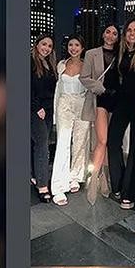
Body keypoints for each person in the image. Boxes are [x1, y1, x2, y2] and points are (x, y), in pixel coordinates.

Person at [107, 19, 135, 210]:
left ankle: (130, 193)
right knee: (113, 141)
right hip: (122, 102)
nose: (133, 33)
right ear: (125, 33)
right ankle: (118, 184)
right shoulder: (120, 52)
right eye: (129, 30)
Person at [80, 24, 120, 204]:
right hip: (101, 99)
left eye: (114, 33)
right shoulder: (91, 53)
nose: (110, 36)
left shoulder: (121, 54)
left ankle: (103, 177)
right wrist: (101, 88)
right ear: (103, 34)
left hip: (117, 101)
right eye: (108, 32)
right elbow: (84, 77)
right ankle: (94, 179)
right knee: (102, 140)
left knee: (108, 142)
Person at [51, 35, 90, 206]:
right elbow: (57, 90)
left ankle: (75, 176)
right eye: (71, 45)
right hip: (64, 104)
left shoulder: (87, 65)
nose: (73, 48)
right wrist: (54, 113)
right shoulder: (61, 65)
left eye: (77, 45)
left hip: (82, 104)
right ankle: (58, 186)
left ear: (82, 48)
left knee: (80, 142)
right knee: (63, 143)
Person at [30, 35, 57, 203]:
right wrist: (36, 107)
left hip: (48, 109)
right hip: (34, 109)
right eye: (44, 44)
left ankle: (33, 174)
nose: (46, 48)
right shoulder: (30, 62)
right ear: (37, 45)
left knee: (38, 143)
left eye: (49, 46)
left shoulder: (50, 65)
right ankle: (42, 185)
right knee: (42, 144)